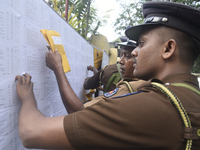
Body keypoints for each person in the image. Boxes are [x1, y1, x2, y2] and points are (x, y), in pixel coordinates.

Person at [15, 1, 200, 150]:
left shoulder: (152, 104)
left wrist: (27, 96)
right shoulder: (191, 95)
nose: (135, 52)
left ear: (168, 49)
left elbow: (31, 133)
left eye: (142, 44)